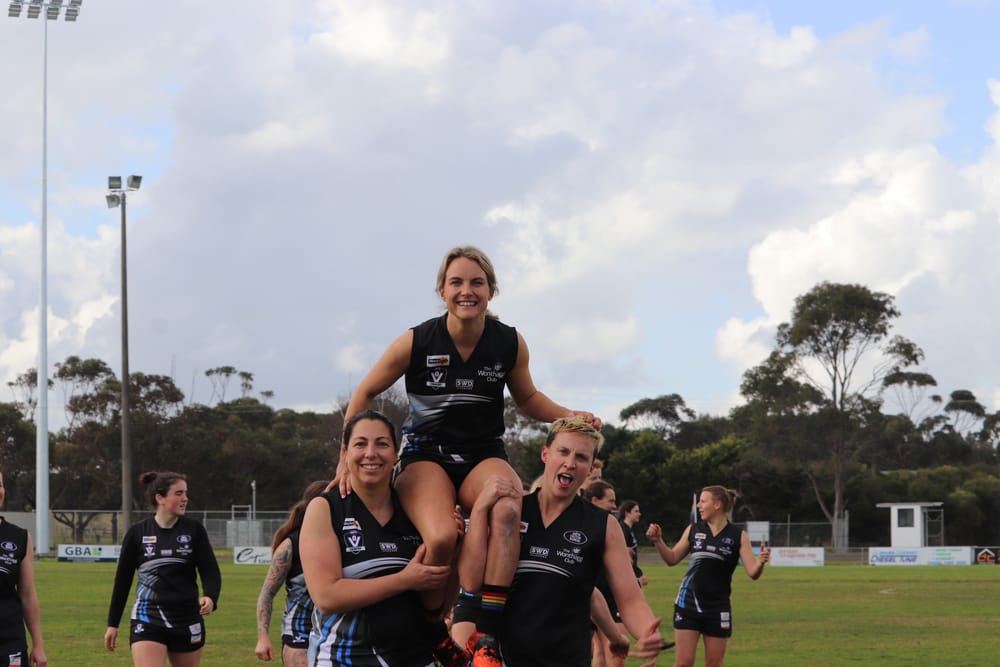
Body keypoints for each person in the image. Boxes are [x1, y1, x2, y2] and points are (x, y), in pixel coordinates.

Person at [338, 245, 600, 662]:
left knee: (509, 509)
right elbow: (366, 391)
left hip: (482, 454)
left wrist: (570, 414)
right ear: (442, 290)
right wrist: (343, 457)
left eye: (477, 282)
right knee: (442, 536)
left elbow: (528, 397)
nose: (467, 291)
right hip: (427, 455)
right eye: (456, 282)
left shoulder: (508, 342)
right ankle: (435, 631)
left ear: (491, 290)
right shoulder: (417, 340)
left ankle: (488, 637)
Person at [460, 417, 663, 667]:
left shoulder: (603, 525)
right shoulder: (509, 512)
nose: (570, 463)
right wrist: (480, 508)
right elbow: (470, 581)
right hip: (503, 659)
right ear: (545, 454)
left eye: (581, 457)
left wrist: (647, 632)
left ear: (590, 469)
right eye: (563, 452)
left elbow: (630, 598)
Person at [301, 409, 465, 666]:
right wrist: (404, 580)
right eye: (360, 444)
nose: (370, 453)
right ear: (345, 454)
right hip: (345, 658)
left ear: (395, 455)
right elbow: (327, 596)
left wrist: (452, 552)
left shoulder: (417, 512)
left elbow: (442, 604)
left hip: (415, 658)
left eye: (382, 444)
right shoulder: (325, 508)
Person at [104, 471, 222, 667]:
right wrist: (113, 624)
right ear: (160, 498)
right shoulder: (138, 533)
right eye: (179, 493)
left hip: (187, 617)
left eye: (186, 493)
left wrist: (210, 597)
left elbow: (210, 571)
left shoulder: (194, 530)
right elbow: (122, 581)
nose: (185, 498)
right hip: (148, 616)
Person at [645, 486, 771, 667]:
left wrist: (760, 563)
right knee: (683, 663)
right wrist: (658, 541)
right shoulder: (693, 530)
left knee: (714, 664)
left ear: (717, 504)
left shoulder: (738, 536)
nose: (699, 506)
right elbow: (672, 559)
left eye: (703, 501)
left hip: (717, 608)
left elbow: (753, 573)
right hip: (687, 604)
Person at [255, 480, 328, 666]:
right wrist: (263, 637)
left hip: (335, 633)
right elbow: (267, 594)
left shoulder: (342, 541)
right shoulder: (290, 546)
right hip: (299, 633)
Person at [0, 465, 46, 667]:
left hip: (10, 642)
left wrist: (38, 644)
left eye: (0, 485)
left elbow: (27, 594)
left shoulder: (20, 537)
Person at [617, 500, 649, 588]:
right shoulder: (622, 530)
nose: (639, 514)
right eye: (636, 511)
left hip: (632, 572)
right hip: (625, 574)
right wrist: (639, 575)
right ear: (627, 513)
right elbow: (624, 557)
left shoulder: (629, 529)